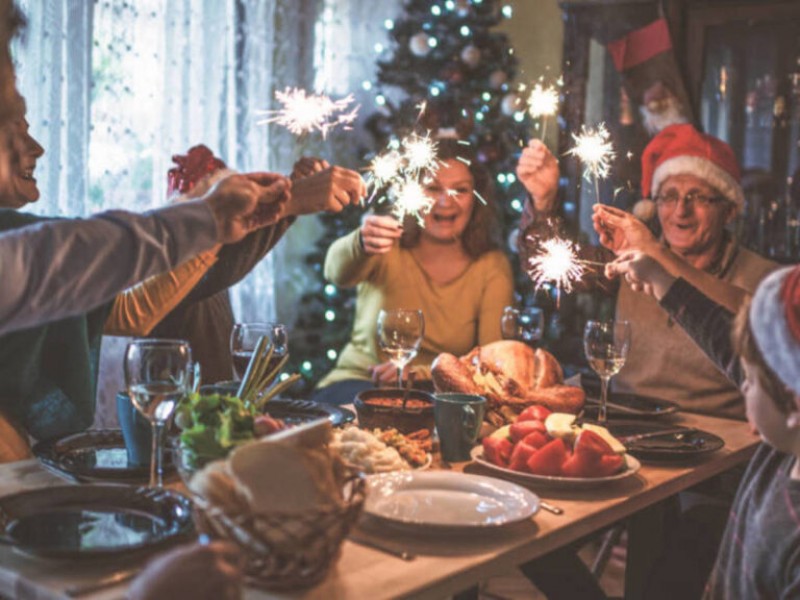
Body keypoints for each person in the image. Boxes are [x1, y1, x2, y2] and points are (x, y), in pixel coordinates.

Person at [523, 123, 777, 419]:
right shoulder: (632, 258)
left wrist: (659, 255)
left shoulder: (766, 280)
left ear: (730, 210)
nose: (681, 210)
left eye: (698, 197)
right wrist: (543, 200)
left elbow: (755, 318)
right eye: (669, 197)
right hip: (631, 426)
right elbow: (548, 264)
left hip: (722, 442)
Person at [313, 139, 514, 404]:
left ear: (476, 199)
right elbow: (335, 273)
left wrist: (418, 374)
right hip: (357, 383)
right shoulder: (386, 244)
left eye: (461, 190)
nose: (446, 201)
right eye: (432, 188)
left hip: (437, 394)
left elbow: (491, 360)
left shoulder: (490, 265)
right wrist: (361, 241)